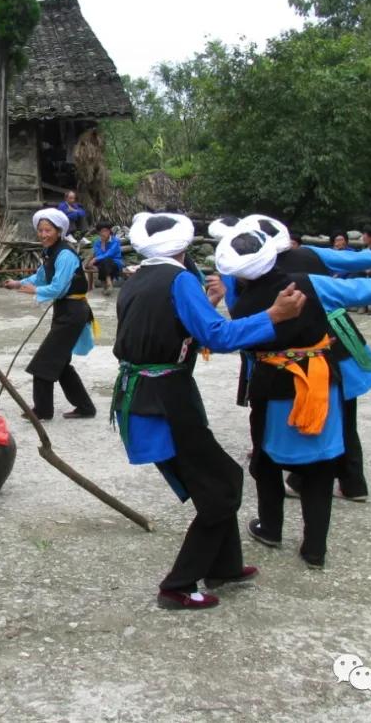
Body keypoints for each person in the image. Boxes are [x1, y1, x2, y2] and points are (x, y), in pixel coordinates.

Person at [112, 212, 307, 610]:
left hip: (142, 396)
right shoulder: (180, 279)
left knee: (220, 479)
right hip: (165, 400)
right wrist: (274, 315)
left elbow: (160, 327)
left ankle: (226, 566)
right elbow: (216, 336)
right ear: (183, 247)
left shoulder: (136, 281)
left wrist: (205, 305)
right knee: (219, 491)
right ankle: (178, 586)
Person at [217, 228, 371, 569]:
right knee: (321, 470)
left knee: (265, 463)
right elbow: (354, 289)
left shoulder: (242, 306)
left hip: (272, 387)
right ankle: (314, 549)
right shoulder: (307, 282)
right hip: (320, 381)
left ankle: (270, 528)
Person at [4, 208, 96, 420]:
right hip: (65, 310)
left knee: (43, 362)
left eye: (48, 230)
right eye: (41, 230)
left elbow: (57, 287)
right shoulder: (50, 252)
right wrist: (19, 284)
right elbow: (41, 276)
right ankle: (85, 407)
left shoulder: (64, 254)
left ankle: (42, 410)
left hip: (73, 311)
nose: (44, 234)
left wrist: (35, 291)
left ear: (59, 231)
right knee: (61, 364)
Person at [89, 221, 123, 294]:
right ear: (99, 232)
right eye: (101, 231)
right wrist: (103, 244)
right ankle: (108, 283)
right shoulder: (97, 242)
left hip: (115, 262)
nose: (103, 233)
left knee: (106, 260)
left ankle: (106, 283)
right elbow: (99, 254)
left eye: (106, 231)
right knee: (103, 261)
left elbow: (109, 254)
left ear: (109, 231)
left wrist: (95, 259)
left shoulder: (115, 241)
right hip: (102, 262)